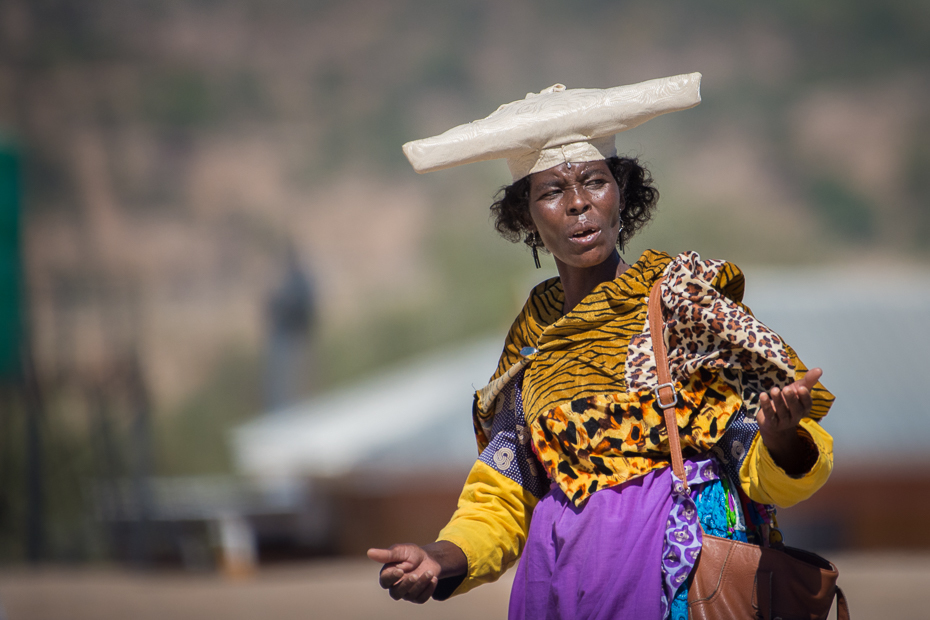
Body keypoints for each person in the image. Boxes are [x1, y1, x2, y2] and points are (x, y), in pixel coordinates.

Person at [367, 73, 834, 620]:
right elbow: (502, 493)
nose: (578, 204)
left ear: (622, 194)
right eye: (551, 191)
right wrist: (439, 559)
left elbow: (766, 466)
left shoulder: (682, 308)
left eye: (594, 181)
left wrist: (781, 436)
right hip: (559, 582)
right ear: (527, 217)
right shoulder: (533, 341)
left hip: (678, 584)